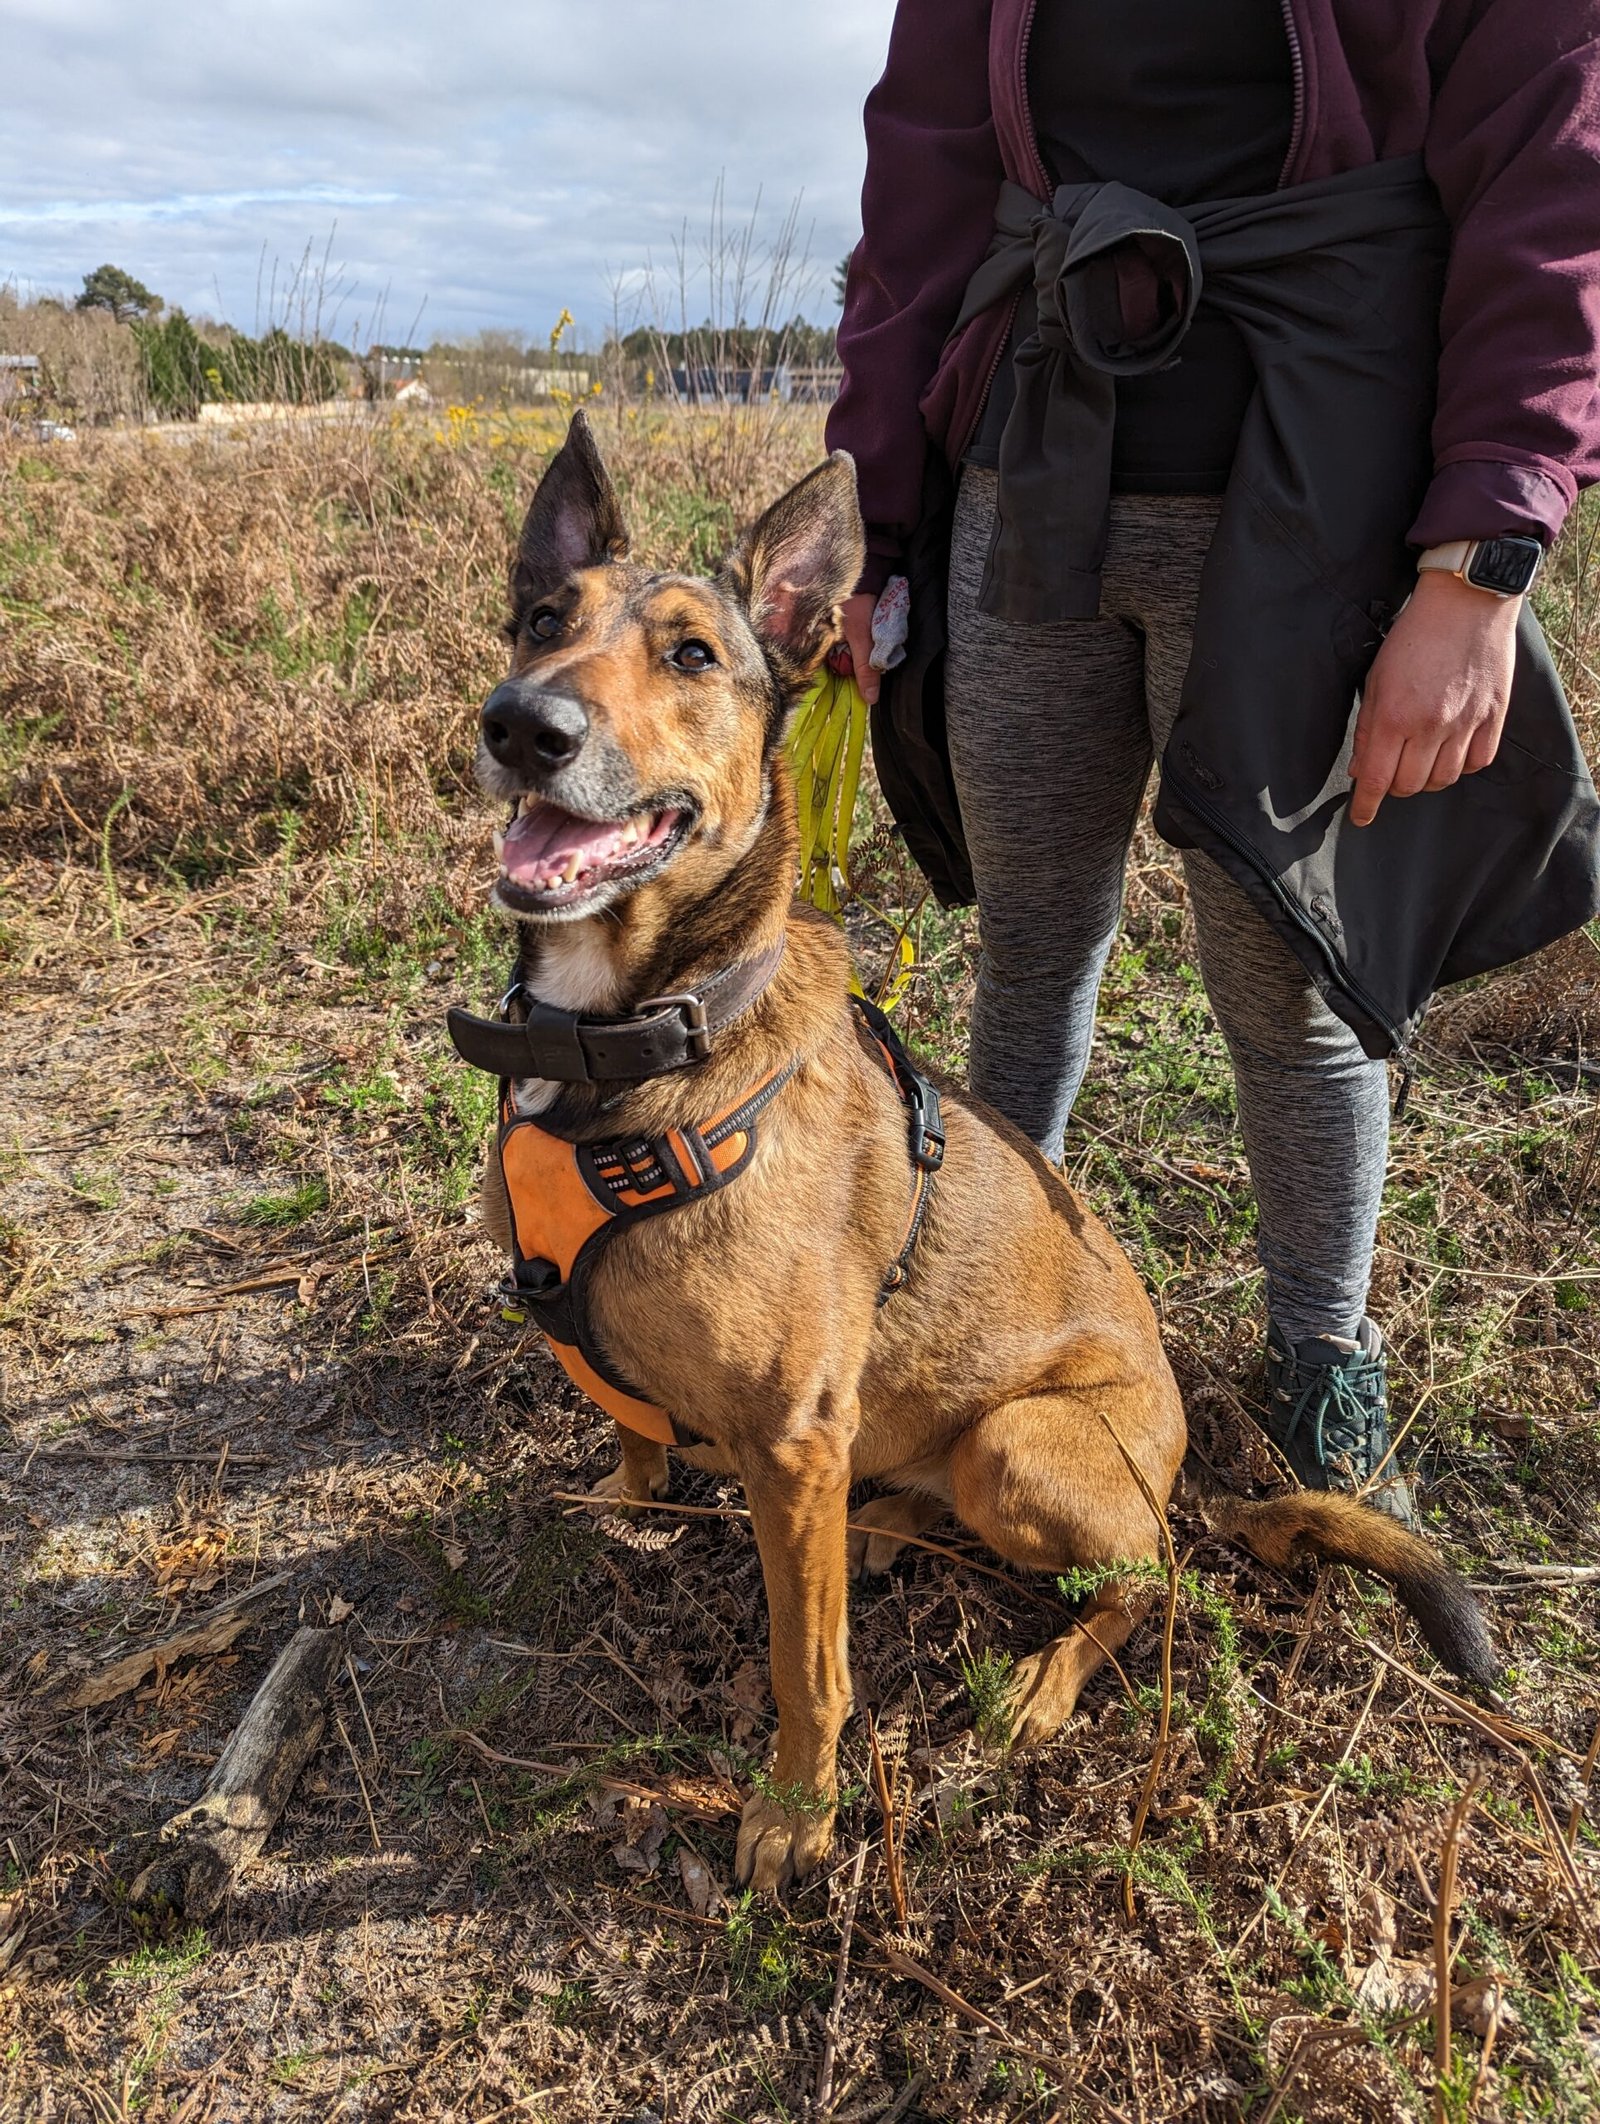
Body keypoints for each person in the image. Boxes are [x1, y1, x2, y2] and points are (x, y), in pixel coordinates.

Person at [827, 1, 1600, 1523]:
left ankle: (1321, 1362)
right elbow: (922, 170)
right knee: (1029, 947)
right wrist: (882, 508)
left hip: (1309, 493)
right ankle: (978, 1327)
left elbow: (1554, 157)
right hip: (1027, 472)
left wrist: (1482, 561)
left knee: (1285, 982)